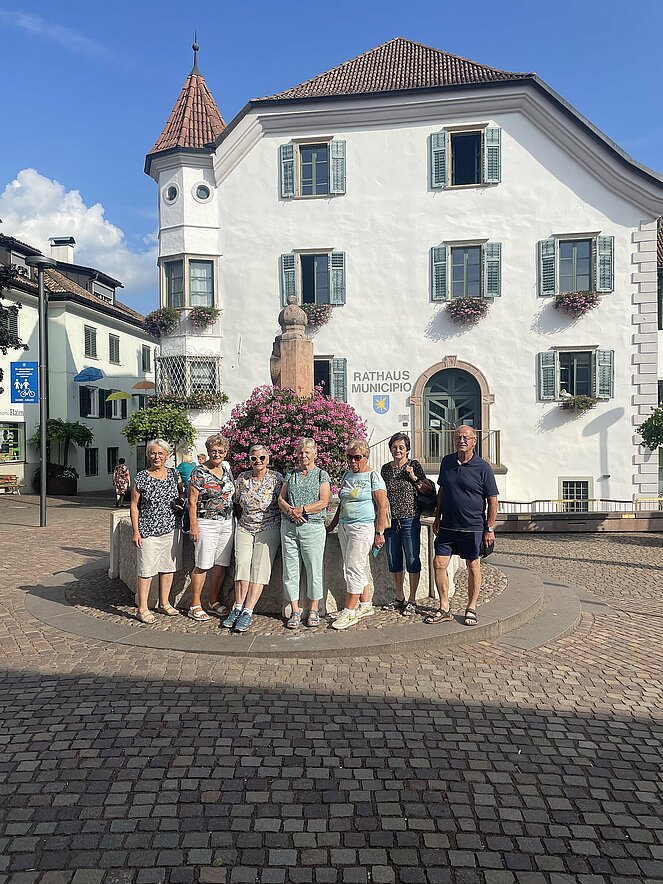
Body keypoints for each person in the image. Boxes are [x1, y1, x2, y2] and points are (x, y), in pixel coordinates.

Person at [427, 425, 498, 627]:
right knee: (438, 564)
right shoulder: (447, 462)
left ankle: (471, 607)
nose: (462, 440)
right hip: (448, 526)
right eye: (458, 437)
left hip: (472, 527)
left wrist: (489, 528)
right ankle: (444, 607)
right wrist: (437, 516)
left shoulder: (483, 468)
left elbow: (492, 500)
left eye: (466, 437)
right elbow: (442, 490)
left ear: (474, 442)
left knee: (473, 566)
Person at [326, 439, 388, 630]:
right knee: (354, 567)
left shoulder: (373, 477)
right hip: (345, 526)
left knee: (353, 568)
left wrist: (379, 532)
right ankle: (366, 603)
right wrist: (332, 525)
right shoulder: (347, 475)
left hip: (362, 527)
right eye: (350, 457)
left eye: (357, 457)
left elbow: (382, 507)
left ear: (366, 457)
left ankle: (349, 611)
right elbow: (342, 503)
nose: (353, 461)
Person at [222, 445, 283, 634]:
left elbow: (283, 502)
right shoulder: (243, 478)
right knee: (241, 564)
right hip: (245, 527)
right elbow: (236, 503)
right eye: (254, 458)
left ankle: (248, 611)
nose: (258, 461)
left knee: (260, 568)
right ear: (249, 460)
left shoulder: (276, 479)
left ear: (268, 459)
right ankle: (237, 607)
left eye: (262, 458)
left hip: (269, 527)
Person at [278, 438, 331, 629]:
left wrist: (303, 510)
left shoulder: (321, 474)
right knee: (290, 569)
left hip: (313, 527)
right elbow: (281, 499)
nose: (303, 455)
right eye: (300, 452)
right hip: (289, 526)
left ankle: (313, 609)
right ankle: (295, 610)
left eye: (307, 452)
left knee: (313, 569)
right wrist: (291, 511)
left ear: (315, 454)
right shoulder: (291, 474)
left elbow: (324, 501)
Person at [129, 439, 183, 624]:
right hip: (148, 530)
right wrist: (136, 531)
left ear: (166, 456)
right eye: (153, 453)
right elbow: (134, 505)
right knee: (146, 570)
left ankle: (164, 603)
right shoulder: (142, 477)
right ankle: (142, 608)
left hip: (171, 528)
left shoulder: (174, 474)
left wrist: (180, 503)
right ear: (148, 455)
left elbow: (181, 494)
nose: (156, 457)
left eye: (160, 453)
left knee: (167, 568)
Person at [380, 433, 435, 615]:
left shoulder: (414, 465)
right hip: (391, 521)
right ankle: (399, 597)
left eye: (401, 447)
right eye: (394, 447)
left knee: (412, 558)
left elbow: (427, 490)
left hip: (410, 519)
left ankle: (412, 599)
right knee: (394, 559)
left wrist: (413, 477)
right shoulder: (385, 469)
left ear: (407, 449)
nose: (398, 450)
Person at [187, 435, 236, 622]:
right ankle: (195, 605)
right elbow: (192, 501)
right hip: (206, 522)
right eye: (213, 451)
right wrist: (194, 526)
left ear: (225, 452)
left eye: (220, 451)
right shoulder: (199, 471)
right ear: (208, 452)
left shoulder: (226, 469)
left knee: (220, 564)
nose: (217, 454)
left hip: (227, 522)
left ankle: (213, 601)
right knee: (202, 564)